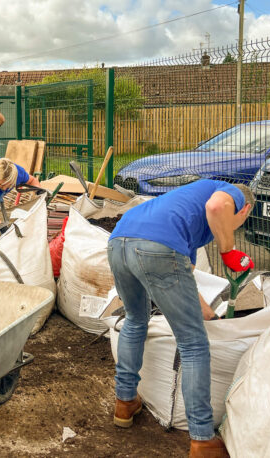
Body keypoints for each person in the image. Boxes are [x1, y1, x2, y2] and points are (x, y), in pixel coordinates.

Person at [107, 179, 255, 458]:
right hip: (156, 247)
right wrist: (228, 250)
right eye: (241, 221)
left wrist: (207, 314)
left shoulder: (181, 212)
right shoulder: (228, 192)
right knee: (193, 344)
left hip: (119, 242)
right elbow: (216, 207)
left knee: (137, 320)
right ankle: (202, 439)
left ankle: (124, 402)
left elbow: (181, 274)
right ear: (244, 209)